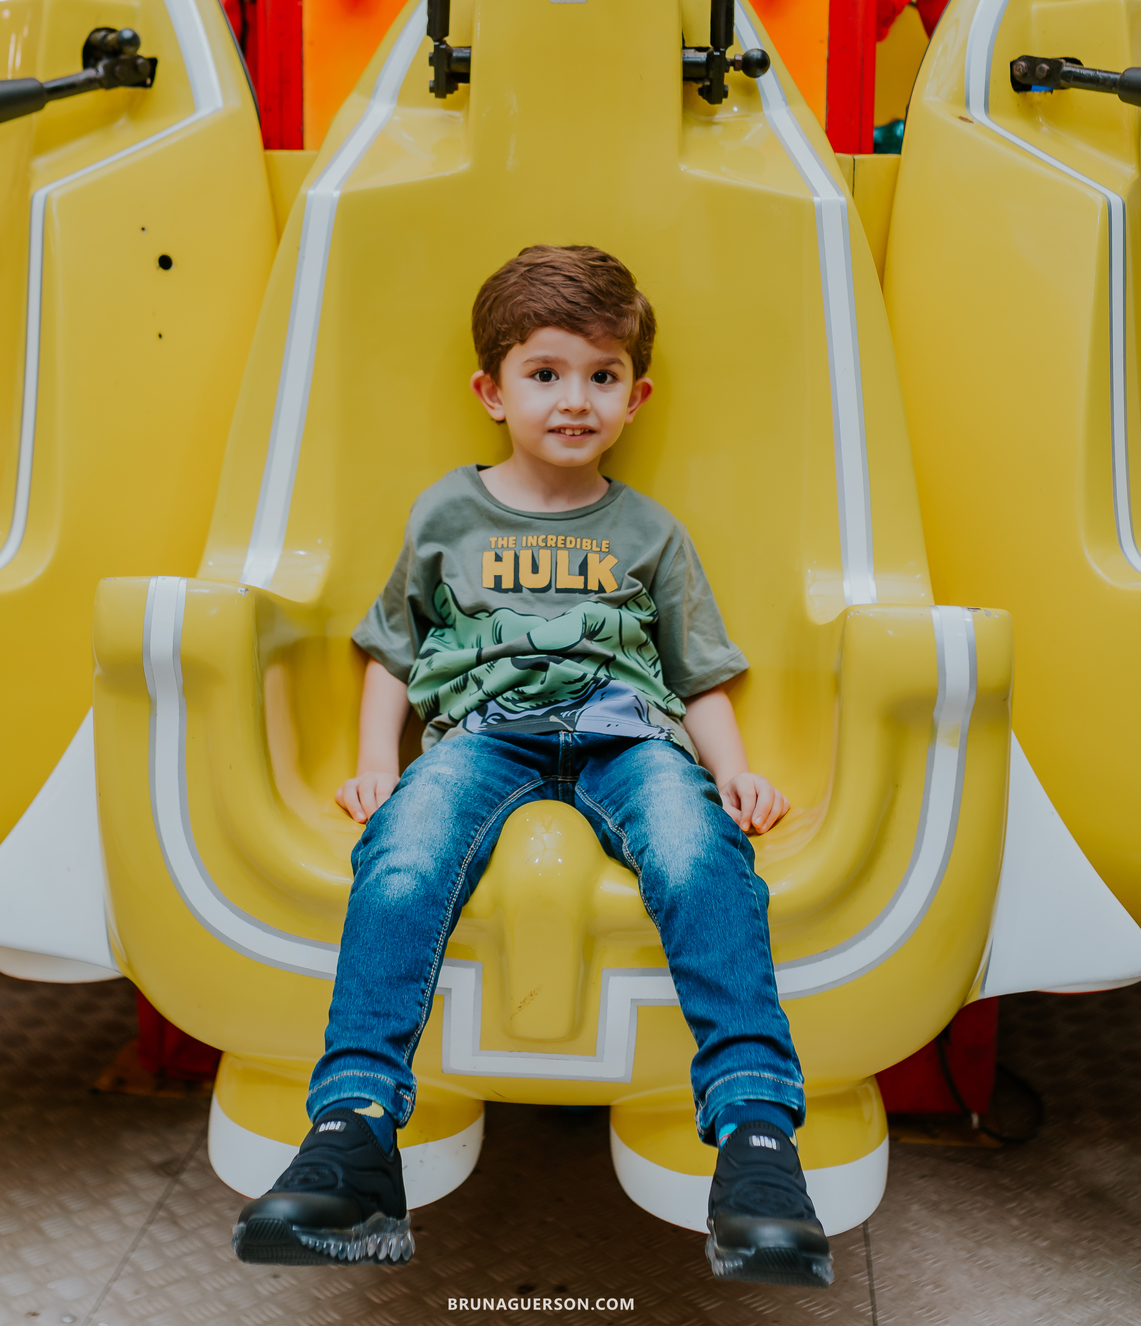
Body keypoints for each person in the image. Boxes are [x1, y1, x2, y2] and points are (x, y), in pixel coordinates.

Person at [233, 245, 832, 1289]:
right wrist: (379, 762)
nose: (575, 400)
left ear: (638, 395)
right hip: (480, 735)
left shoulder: (650, 532)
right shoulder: (445, 515)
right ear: (492, 389)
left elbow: (697, 675)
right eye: (547, 373)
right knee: (406, 856)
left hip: (630, 733)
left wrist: (734, 771)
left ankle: (756, 1142)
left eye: (603, 377)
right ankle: (353, 1128)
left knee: (702, 856)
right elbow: (392, 648)